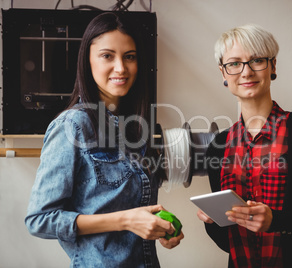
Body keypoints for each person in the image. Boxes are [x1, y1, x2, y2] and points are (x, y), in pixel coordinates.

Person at [25, 12, 183, 268]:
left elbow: (138, 211)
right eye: (107, 56)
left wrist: (157, 228)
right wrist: (126, 220)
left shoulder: (138, 127)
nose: (121, 67)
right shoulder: (72, 126)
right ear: (87, 61)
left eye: (129, 57)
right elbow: (40, 220)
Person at [197, 24, 292, 268]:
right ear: (223, 73)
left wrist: (277, 221)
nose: (246, 72)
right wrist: (213, 221)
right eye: (234, 63)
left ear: (273, 66)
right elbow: (227, 243)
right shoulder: (218, 145)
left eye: (256, 60)